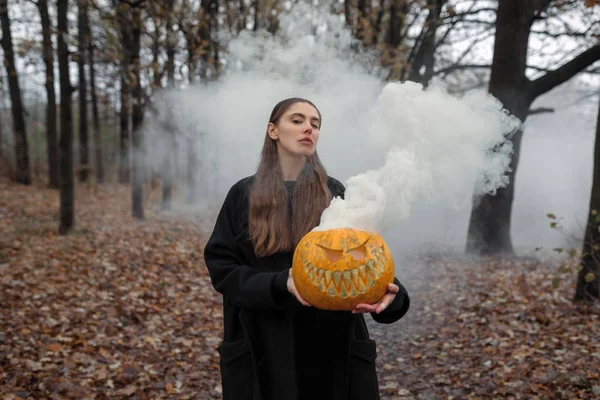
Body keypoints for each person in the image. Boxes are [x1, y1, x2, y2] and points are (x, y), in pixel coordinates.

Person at [203, 97, 410, 400]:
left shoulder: (335, 192)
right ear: (273, 130)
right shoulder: (243, 194)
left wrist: (393, 297)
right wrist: (280, 283)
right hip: (262, 349)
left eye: (315, 124)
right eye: (297, 120)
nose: (308, 129)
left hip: (333, 349)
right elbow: (223, 270)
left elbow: (366, 256)